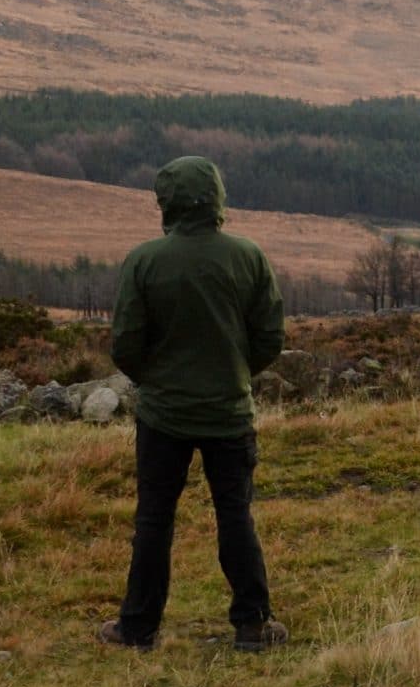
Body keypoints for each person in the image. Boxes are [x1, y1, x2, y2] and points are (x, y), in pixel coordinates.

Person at [99, 156, 289, 650]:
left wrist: (158, 382)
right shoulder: (248, 257)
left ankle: (137, 628)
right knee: (235, 514)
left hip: (163, 416)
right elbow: (270, 336)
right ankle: (252, 624)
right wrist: (235, 374)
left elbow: (125, 345)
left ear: (167, 202)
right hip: (229, 412)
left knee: (154, 519)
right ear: (218, 197)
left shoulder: (144, 261)